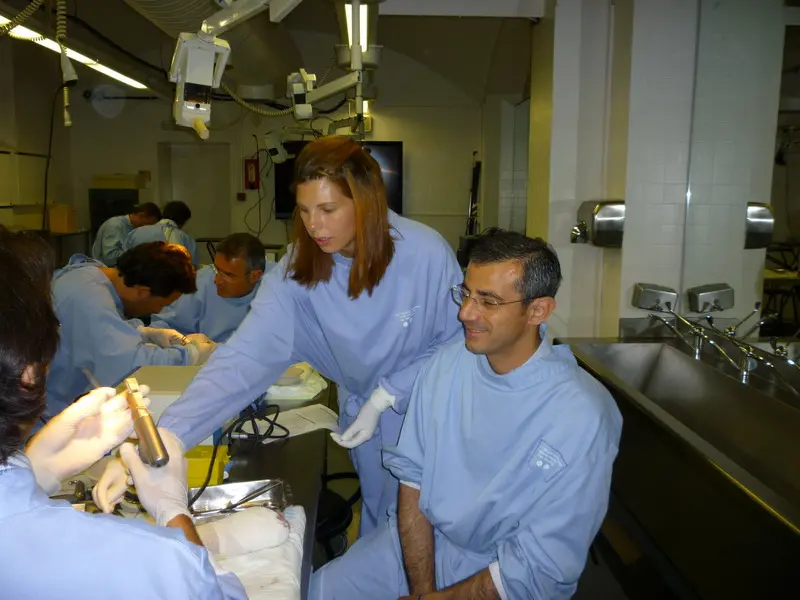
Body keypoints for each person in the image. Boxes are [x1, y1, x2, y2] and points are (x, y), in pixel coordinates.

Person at [95, 136, 463, 536]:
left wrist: (390, 393)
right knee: (381, 526)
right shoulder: (299, 270)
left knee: (432, 527)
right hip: (364, 418)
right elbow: (243, 360)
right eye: (304, 210)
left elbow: (458, 342)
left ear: (366, 202)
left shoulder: (424, 253)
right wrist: (162, 441)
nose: (313, 225)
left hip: (428, 411)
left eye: (327, 209)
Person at [310, 230, 623, 600]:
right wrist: (423, 589)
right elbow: (412, 479)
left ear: (538, 310)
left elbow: (539, 567)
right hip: (417, 540)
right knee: (314, 591)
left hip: (500, 571)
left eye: (488, 301)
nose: (465, 313)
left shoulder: (581, 415)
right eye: (466, 293)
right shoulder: (447, 364)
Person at [0, 228, 247, 600]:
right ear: (30, 375)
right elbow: (212, 590)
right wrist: (173, 513)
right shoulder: (149, 560)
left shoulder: (85, 278)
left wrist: (35, 474)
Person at [45, 242, 216, 422]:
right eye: (161, 304)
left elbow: (92, 330)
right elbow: (131, 365)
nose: (157, 311)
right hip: (46, 417)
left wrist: (140, 332)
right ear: (142, 292)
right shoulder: (88, 297)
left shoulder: (90, 276)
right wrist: (190, 355)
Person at [147, 232, 272, 343]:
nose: (217, 281)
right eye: (217, 270)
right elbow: (163, 327)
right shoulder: (200, 284)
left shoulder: (276, 285)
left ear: (255, 276)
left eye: (229, 275)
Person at [125, 200, 198, 265]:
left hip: (136, 275)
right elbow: (192, 267)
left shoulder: (135, 233)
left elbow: (124, 259)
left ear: (163, 214)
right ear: (182, 222)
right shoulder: (186, 239)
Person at [92, 203, 162, 266]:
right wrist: (140, 253)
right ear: (141, 215)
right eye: (148, 224)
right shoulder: (115, 225)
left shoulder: (133, 228)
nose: (148, 228)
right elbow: (110, 258)